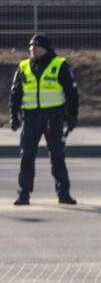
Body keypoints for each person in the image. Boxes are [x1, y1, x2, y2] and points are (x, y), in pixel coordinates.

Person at [9, 34, 79, 205]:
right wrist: (14, 116)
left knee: (57, 156)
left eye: (36, 46)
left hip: (53, 119)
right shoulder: (24, 67)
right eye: (30, 46)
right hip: (30, 119)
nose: (32, 49)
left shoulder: (59, 65)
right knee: (27, 156)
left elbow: (72, 94)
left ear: (45, 48)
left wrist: (71, 116)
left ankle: (63, 194)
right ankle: (23, 194)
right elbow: (15, 94)